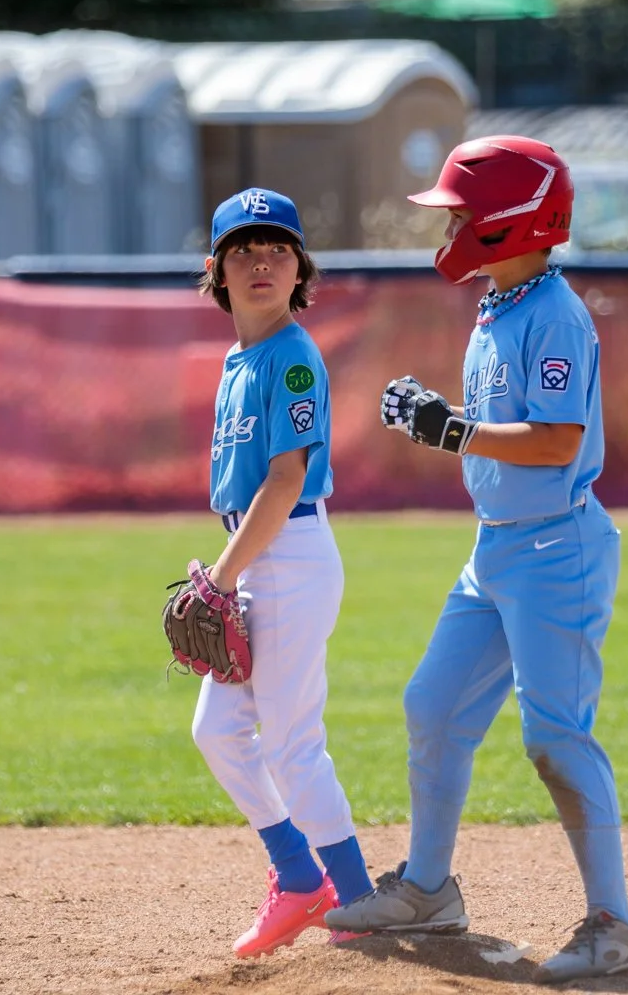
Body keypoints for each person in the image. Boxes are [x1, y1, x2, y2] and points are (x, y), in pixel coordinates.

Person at [321, 137, 628, 982]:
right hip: (497, 550)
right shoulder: (504, 302)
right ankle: (431, 891)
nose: (453, 225)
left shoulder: (553, 313)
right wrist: (445, 417)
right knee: (433, 705)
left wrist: (455, 429)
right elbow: (508, 427)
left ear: (512, 218)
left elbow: (555, 442)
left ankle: (619, 925)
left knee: (555, 736)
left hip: (556, 551)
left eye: (465, 211)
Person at [189, 187, 374, 958]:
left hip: (289, 556)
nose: (261, 261)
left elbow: (286, 481)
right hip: (257, 553)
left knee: (293, 744)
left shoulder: (291, 357)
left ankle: (359, 899)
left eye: (278, 249)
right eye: (243, 249)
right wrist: (232, 569)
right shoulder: (240, 357)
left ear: (301, 269)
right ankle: (300, 878)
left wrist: (222, 578)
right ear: (217, 272)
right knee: (219, 731)